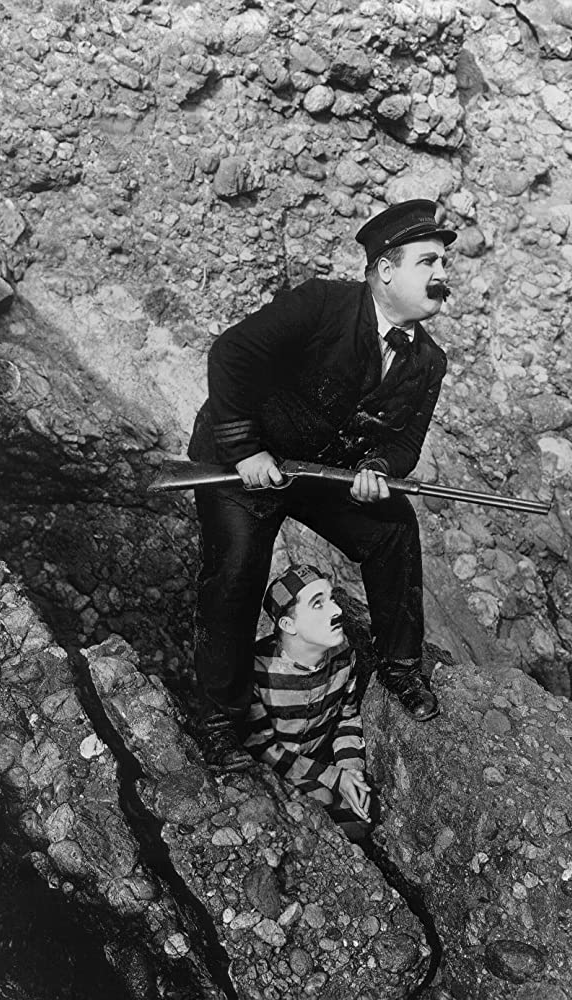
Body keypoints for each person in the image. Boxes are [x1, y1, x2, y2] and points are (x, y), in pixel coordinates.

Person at [188, 198, 456, 770]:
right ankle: (220, 717)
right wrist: (245, 447)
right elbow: (231, 354)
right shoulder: (321, 304)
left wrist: (377, 469)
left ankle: (401, 667)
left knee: (393, 530)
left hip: (316, 473)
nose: (441, 275)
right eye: (428, 262)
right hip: (242, 464)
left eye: (443, 263)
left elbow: (405, 443)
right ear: (386, 270)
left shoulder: (429, 361)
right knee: (235, 570)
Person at [242, 564, 371, 841]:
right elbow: (262, 748)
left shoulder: (343, 655)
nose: (336, 611)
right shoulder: (257, 670)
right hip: (274, 775)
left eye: (331, 599)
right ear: (288, 625)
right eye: (318, 605)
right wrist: (332, 777)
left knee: (360, 820)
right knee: (320, 801)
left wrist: (351, 773)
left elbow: (347, 719)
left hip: (323, 766)